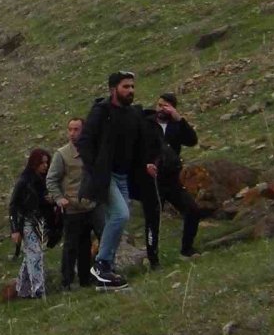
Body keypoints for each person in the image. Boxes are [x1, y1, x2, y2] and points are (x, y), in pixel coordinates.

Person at [78, 71, 156, 290]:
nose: (131, 90)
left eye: (132, 86)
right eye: (125, 87)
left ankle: (106, 273)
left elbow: (140, 143)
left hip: (123, 176)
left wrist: (148, 163)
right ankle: (101, 264)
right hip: (106, 176)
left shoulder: (132, 114)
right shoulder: (101, 112)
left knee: (117, 220)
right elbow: (85, 142)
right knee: (121, 215)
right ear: (113, 89)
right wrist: (95, 169)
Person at [137, 92, 201, 268]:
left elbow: (192, 140)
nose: (161, 109)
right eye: (159, 105)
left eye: (166, 106)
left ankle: (187, 249)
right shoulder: (146, 123)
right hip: (151, 180)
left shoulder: (176, 125)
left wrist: (179, 119)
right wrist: (144, 164)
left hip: (172, 179)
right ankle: (153, 260)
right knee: (153, 220)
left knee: (193, 210)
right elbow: (135, 148)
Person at [46, 117, 105, 290]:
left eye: (76, 129)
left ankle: (91, 277)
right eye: (70, 129)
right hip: (73, 207)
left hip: (93, 204)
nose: (72, 133)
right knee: (71, 246)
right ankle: (67, 281)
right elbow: (51, 179)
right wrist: (59, 198)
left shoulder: (93, 150)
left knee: (96, 240)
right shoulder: (62, 154)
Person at [10, 149, 54, 298]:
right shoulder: (24, 181)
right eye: (42, 163)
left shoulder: (45, 180)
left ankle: (22, 289)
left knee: (31, 254)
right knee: (35, 254)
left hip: (40, 222)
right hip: (26, 222)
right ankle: (38, 290)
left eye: (47, 162)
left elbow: (42, 202)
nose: (45, 166)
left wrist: (50, 201)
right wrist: (14, 229)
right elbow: (13, 205)